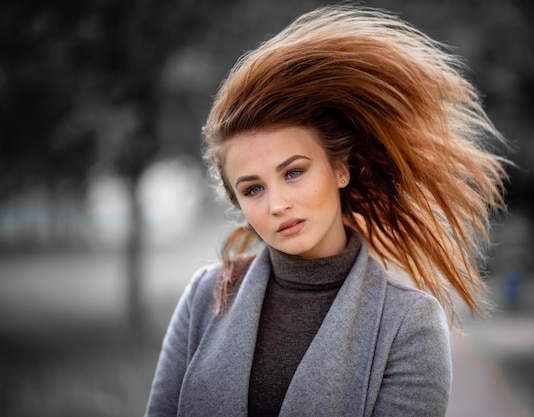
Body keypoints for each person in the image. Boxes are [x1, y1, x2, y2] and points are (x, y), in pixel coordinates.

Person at [145, 4, 508, 417]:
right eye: (253, 189)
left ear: (341, 169)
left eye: (294, 172)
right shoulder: (205, 296)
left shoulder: (409, 323)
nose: (278, 203)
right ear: (237, 201)